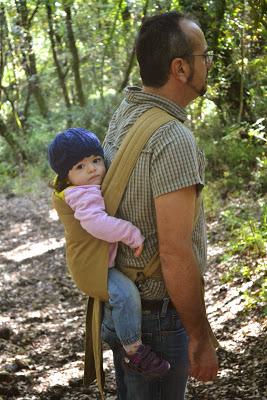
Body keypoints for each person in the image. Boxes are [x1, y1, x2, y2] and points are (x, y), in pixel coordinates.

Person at [101, 10, 219, 400]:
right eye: (205, 55)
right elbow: (174, 252)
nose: (211, 62)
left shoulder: (126, 113)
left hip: (127, 310)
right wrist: (201, 336)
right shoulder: (172, 140)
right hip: (158, 321)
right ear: (181, 68)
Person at [47, 127, 170, 379]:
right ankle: (133, 350)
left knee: (122, 295)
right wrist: (131, 233)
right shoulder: (80, 194)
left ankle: (116, 329)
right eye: (80, 167)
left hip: (96, 260)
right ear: (66, 176)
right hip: (92, 266)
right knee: (125, 294)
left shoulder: (82, 187)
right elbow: (97, 224)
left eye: (96, 160)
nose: (92, 169)